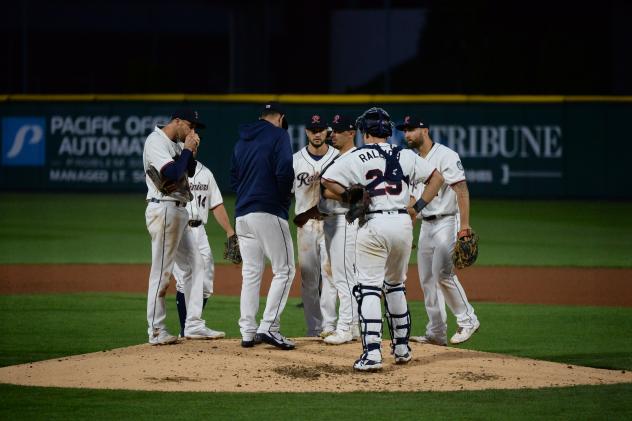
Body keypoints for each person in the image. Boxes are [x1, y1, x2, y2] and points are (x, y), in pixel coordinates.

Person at [321, 107, 444, 371]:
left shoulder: (356, 154)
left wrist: (349, 196)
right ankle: (401, 348)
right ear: (388, 131)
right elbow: (437, 178)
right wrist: (417, 207)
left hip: (374, 224)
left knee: (368, 288)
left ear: (365, 131)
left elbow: (326, 180)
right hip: (402, 222)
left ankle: (373, 353)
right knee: (396, 285)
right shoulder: (406, 155)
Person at [142, 108, 225, 345]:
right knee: (161, 273)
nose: (193, 131)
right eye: (190, 126)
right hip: (164, 209)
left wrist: (190, 150)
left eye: (196, 128)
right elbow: (173, 172)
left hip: (179, 209)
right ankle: (156, 330)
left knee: (196, 264)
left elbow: (187, 171)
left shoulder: (177, 144)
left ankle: (194, 324)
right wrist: (187, 150)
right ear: (176, 121)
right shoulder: (156, 141)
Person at [398, 115, 481, 345]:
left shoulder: (446, 155)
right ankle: (436, 333)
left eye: (411, 129)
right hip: (426, 224)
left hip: (447, 221)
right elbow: (413, 201)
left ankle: (468, 319)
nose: (407, 134)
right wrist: (407, 228)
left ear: (425, 130)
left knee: (443, 274)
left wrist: (464, 226)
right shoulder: (414, 160)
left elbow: (462, 191)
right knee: (426, 279)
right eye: (404, 130)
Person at [231, 102, 296, 350]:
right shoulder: (279, 135)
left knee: (251, 273)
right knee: (286, 270)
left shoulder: (241, 141)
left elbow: (233, 178)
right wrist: (280, 200)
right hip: (268, 211)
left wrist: (249, 195)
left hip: (242, 215)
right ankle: (269, 326)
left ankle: (248, 331)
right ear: (280, 117)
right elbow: (284, 172)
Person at [172, 159, 236, 337]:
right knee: (185, 280)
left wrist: (229, 230)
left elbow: (216, 204)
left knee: (206, 284)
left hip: (199, 231)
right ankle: (186, 330)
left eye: (196, 134)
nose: (194, 138)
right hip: (179, 229)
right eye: (189, 133)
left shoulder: (206, 173)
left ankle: (193, 325)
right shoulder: (171, 169)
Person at [292, 114, 338, 337]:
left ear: (327, 132)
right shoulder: (295, 160)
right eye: (313, 129)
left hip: (332, 224)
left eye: (320, 129)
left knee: (330, 275)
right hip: (306, 226)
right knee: (309, 279)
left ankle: (329, 326)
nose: (317, 133)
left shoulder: (338, 157)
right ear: (307, 132)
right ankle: (314, 328)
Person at [317, 113, 360, 344]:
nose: (332, 134)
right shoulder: (340, 157)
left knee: (344, 276)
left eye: (339, 130)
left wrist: (344, 195)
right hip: (335, 221)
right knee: (343, 275)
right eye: (332, 130)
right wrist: (344, 194)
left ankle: (345, 328)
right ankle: (352, 326)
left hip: (346, 220)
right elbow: (326, 191)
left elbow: (359, 194)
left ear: (352, 133)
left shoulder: (355, 158)